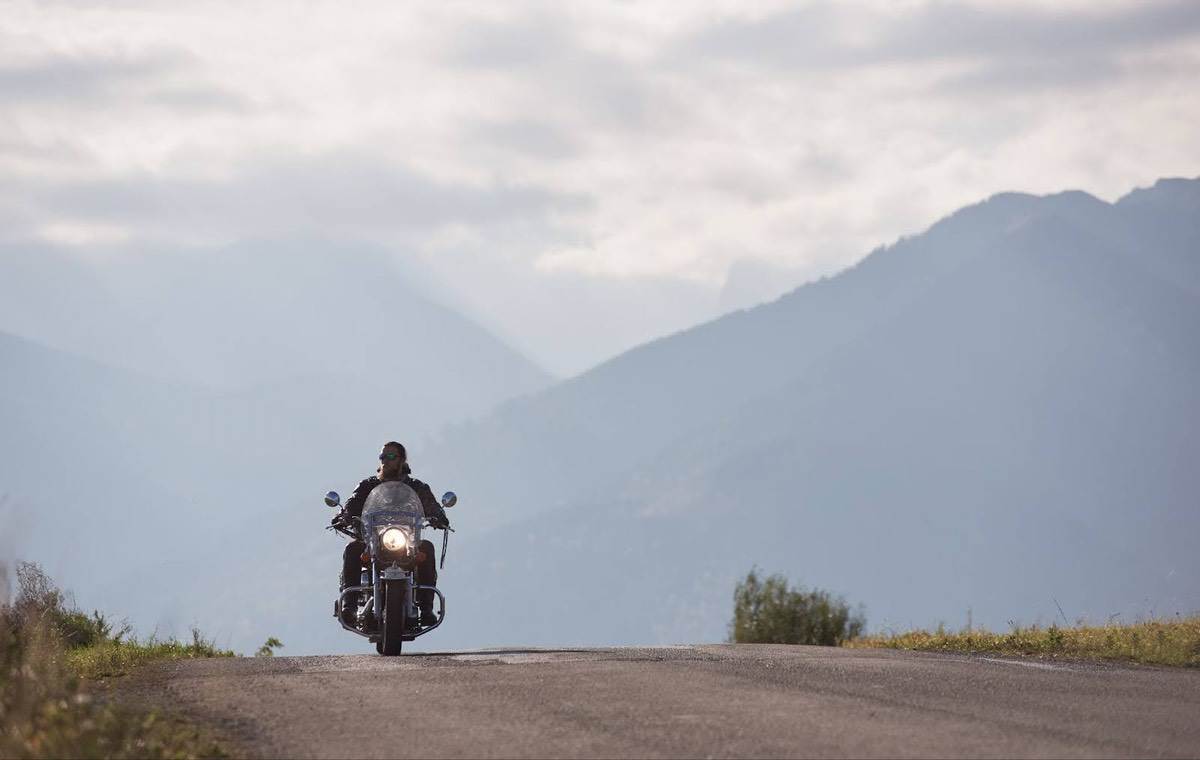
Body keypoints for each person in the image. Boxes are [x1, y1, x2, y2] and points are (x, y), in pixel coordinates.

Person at [335, 441, 449, 628]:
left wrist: (438, 516)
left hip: (406, 540)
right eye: (382, 457)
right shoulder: (368, 486)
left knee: (426, 548)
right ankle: (349, 606)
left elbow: (431, 505)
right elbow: (352, 503)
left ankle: (426, 608)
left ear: (402, 460)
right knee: (353, 548)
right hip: (374, 540)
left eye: (390, 457)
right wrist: (343, 516)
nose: (385, 461)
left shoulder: (416, 486)